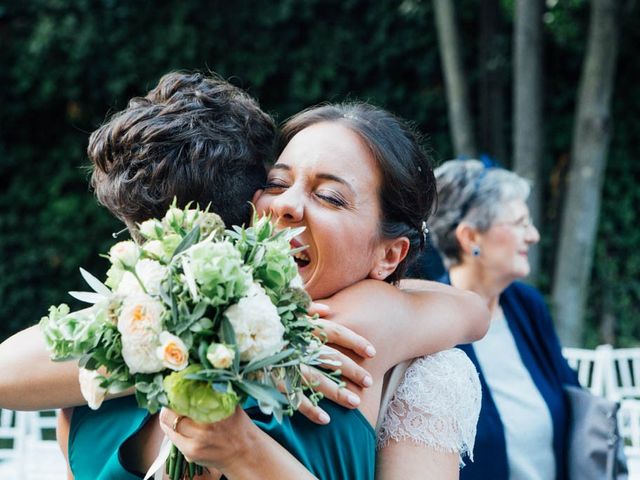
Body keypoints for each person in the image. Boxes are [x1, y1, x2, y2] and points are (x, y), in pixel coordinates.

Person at [0, 74, 485, 479]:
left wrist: (245, 451)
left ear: (390, 253)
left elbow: (461, 310)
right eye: (277, 183)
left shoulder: (393, 351)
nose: (288, 206)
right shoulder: (105, 363)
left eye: (331, 197)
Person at [427, 159, 580, 480]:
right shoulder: (430, 321)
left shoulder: (526, 307)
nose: (534, 236)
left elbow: (574, 402)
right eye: (521, 223)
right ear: (470, 238)